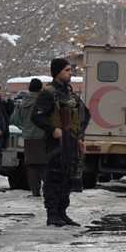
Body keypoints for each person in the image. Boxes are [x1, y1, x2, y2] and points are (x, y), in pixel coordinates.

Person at [32, 58, 88, 227]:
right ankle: (52, 214)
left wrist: (79, 138)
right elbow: (36, 116)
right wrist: (52, 129)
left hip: (70, 142)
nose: (70, 73)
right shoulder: (48, 93)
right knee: (54, 178)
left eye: (70, 70)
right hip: (55, 144)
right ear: (57, 72)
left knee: (67, 178)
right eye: (67, 70)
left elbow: (84, 115)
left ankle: (62, 213)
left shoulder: (69, 95)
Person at [13, 79, 47, 196]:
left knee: (32, 165)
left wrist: (24, 128)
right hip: (42, 135)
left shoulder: (23, 102)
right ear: (40, 88)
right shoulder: (42, 101)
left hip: (28, 137)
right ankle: (48, 190)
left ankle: (35, 191)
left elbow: (15, 119)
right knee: (44, 164)